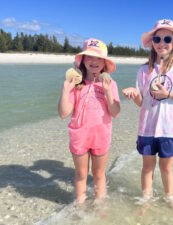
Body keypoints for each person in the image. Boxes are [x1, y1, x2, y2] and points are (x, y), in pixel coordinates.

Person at [122, 19, 173, 206]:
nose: (162, 43)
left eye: (167, 38)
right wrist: (134, 95)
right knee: (147, 168)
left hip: (169, 129)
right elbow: (142, 103)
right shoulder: (143, 70)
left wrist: (169, 94)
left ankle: (169, 199)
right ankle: (145, 202)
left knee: (166, 168)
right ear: (152, 43)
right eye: (157, 38)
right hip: (147, 128)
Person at [58, 38, 120, 204]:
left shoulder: (110, 84)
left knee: (99, 174)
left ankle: (99, 208)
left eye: (99, 58)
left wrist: (107, 92)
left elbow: (115, 112)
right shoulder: (76, 84)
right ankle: (81, 209)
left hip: (101, 137)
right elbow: (63, 113)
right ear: (82, 60)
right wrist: (65, 91)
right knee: (81, 174)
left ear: (104, 63)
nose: (94, 61)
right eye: (90, 57)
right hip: (79, 137)